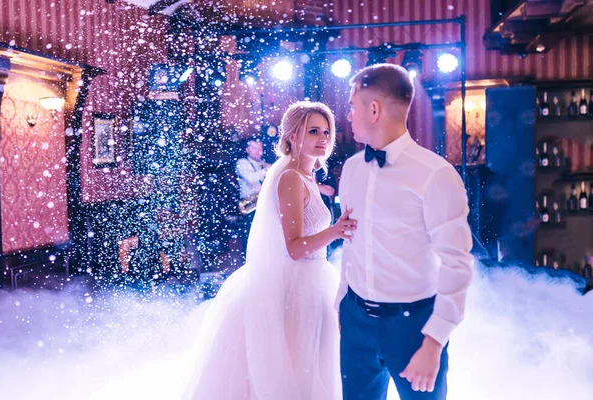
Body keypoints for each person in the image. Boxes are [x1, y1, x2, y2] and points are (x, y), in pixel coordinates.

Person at [182, 101, 357, 400]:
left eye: (327, 131)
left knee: (310, 367)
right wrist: (335, 231)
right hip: (294, 286)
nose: (323, 138)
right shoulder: (289, 178)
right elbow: (294, 248)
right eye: (313, 130)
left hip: (314, 279)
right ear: (291, 135)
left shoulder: (307, 176)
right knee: (292, 371)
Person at [337, 63, 474, 400]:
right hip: (355, 322)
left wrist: (434, 343)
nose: (349, 115)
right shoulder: (352, 169)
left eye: (352, 107)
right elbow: (350, 240)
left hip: (414, 327)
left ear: (374, 109)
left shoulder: (435, 175)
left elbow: (457, 265)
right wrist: (342, 303)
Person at [235, 139, 270, 255]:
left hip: (263, 203)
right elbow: (251, 178)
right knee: (251, 235)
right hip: (250, 204)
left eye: (260, 148)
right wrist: (266, 170)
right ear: (247, 150)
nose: (259, 151)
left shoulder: (263, 164)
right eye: (255, 148)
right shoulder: (242, 162)